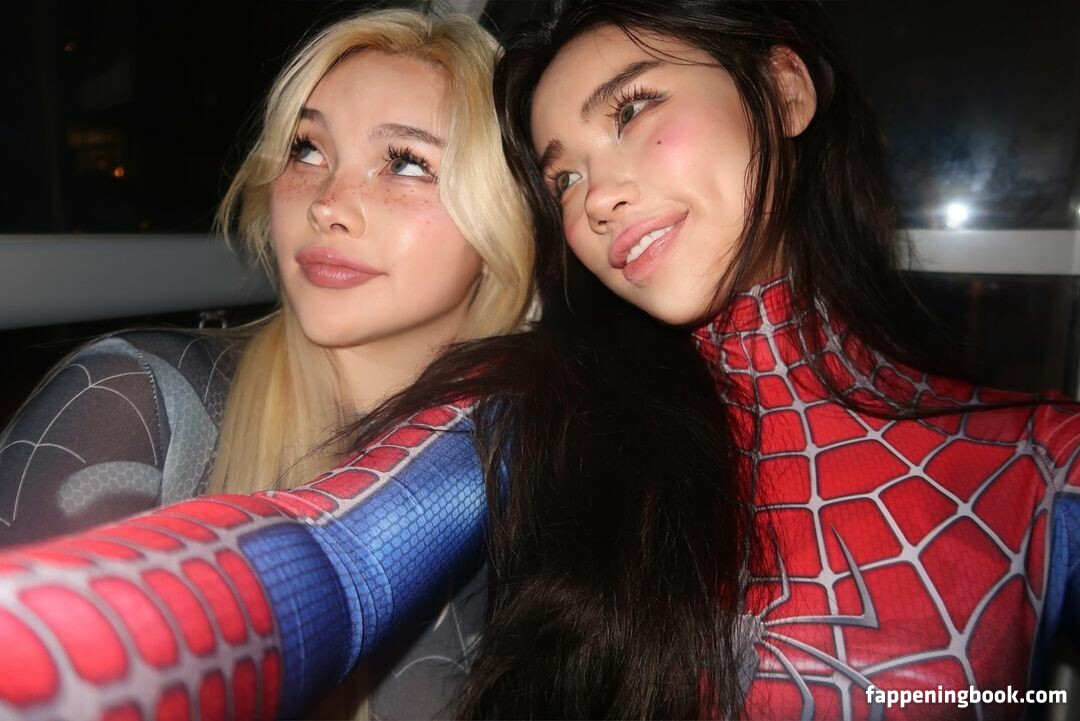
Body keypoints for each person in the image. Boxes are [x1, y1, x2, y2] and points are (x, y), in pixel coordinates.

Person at [0, 2, 1077, 720]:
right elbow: (335, 556)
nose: (597, 195)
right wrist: (58, 657)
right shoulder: (550, 411)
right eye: (562, 176)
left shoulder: (1042, 459)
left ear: (784, 89)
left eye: (634, 111)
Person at [0, 7, 531, 720]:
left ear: (505, 214)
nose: (328, 204)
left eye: (406, 162)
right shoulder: (131, 403)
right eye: (307, 149)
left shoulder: (535, 460)